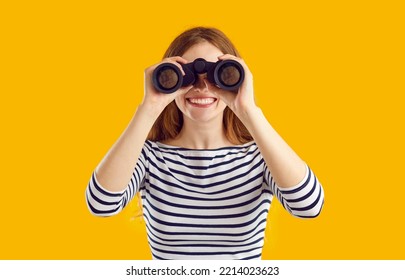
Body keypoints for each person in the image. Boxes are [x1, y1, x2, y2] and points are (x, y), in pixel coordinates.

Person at [85, 27, 324, 260]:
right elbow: (101, 204)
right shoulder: (150, 157)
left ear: (237, 78)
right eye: (185, 76)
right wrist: (149, 108)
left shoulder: (259, 156)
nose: (201, 86)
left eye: (218, 74)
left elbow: (309, 206)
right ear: (167, 78)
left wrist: (248, 109)